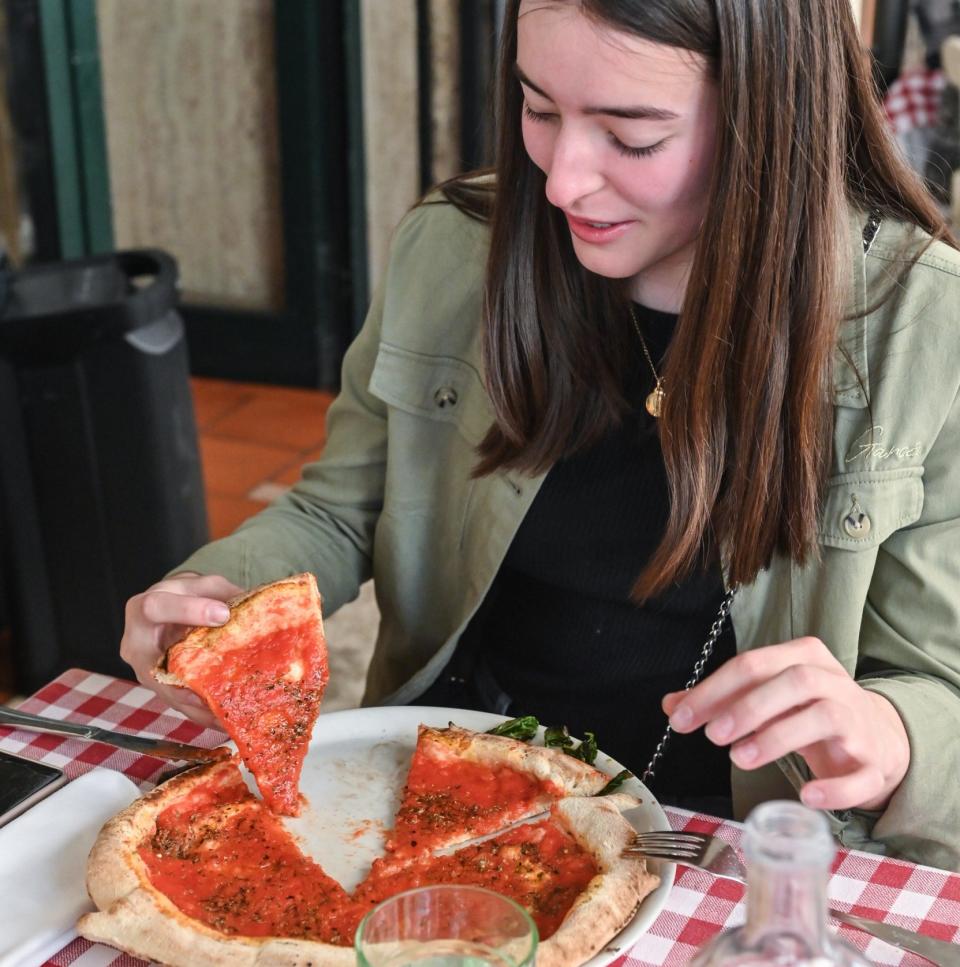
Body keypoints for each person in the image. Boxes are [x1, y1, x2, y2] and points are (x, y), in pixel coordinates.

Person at [121, 0, 960, 870]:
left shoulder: (928, 329)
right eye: (539, 108)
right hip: (439, 783)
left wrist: (886, 735)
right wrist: (211, 601)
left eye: (632, 137)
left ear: (772, 121)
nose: (560, 181)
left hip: (711, 838)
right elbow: (337, 514)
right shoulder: (453, 249)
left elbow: (942, 695)